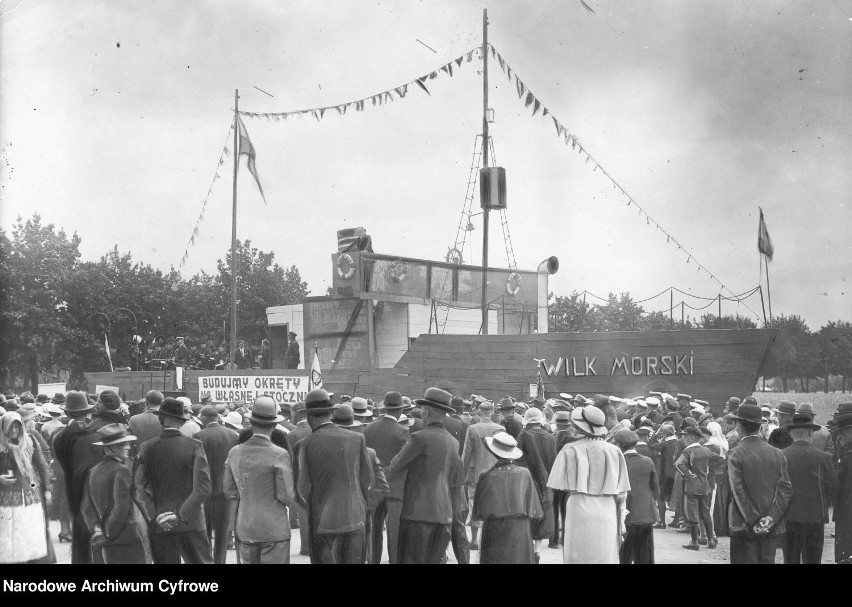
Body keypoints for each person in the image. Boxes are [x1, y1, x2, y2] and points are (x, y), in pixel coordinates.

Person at [388, 387, 467, 564]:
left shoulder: (419, 438)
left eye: (423, 408)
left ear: (426, 411)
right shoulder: (453, 442)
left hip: (418, 514)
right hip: (443, 515)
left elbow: (395, 465)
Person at [297, 389, 372, 564]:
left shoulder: (305, 444)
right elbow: (368, 481)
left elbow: (301, 488)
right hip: (354, 516)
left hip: (322, 521)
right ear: (330, 414)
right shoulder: (357, 438)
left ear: (309, 417)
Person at [134, 397, 213, 564]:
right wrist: (179, 515)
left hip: (160, 523)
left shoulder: (146, 447)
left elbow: (139, 486)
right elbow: (202, 489)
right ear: (181, 421)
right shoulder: (195, 446)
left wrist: (156, 514)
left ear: (161, 418)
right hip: (191, 521)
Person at [547, 406, 630, 564]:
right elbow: (622, 492)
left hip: (579, 506)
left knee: (578, 552)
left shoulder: (569, 450)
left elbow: (557, 484)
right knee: (605, 553)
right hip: (607, 508)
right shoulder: (615, 451)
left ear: (579, 427)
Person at [223, 396, 294, 564]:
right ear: (275, 425)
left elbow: (229, 490)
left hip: (245, 526)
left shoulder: (234, 452)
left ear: (251, 422)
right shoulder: (279, 454)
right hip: (274, 529)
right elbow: (286, 495)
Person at [727, 401, 793, 564]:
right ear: (759, 427)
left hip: (743, 525)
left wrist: (755, 521)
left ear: (739, 426)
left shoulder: (735, 453)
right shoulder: (777, 453)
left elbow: (738, 491)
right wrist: (769, 520)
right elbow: (786, 490)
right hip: (771, 525)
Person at [82, 424, 151, 564]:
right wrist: (108, 533)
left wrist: (96, 528)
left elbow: (86, 506)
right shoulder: (122, 470)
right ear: (113, 447)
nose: (128, 447)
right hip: (126, 536)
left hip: (106, 535)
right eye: (124, 444)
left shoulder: (93, 470)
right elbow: (121, 507)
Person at [472, 431, 544, 564]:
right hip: (520, 527)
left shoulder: (486, 475)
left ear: (492, 451)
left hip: (495, 526)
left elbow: (479, 511)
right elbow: (534, 508)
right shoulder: (524, 473)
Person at [332, 404, 389, 564]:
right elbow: (382, 486)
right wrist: (366, 508)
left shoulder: (325, 452)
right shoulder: (368, 452)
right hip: (360, 518)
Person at [52, 391, 104, 564]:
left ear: (67, 413)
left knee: (80, 530)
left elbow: (63, 463)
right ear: (87, 411)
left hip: (74, 487)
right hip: (98, 489)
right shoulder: (100, 435)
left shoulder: (59, 438)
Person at [781, 414, 837, 564]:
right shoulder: (823, 457)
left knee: (790, 558)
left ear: (792, 434)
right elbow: (832, 487)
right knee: (813, 558)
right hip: (815, 516)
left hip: (788, 516)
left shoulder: (781, 455)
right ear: (811, 433)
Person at [0, 411, 55, 564]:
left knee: (28, 536)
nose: (14, 431)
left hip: (30, 491)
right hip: (5, 499)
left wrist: (47, 489)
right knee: (7, 536)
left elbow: (42, 466)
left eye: (17, 427)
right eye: (11, 427)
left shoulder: (30, 441)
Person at [364, 391, 409, 564]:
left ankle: (372, 560)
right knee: (394, 532)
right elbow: (404, 462)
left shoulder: (368, 428)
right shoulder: (403, 431)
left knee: (373, 529)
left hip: (374, 486)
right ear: (400, 410)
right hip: (396, 488)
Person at [196, 404, 239, 564]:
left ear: (204, 418)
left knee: (205, 529)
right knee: (222, 529)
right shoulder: (233, 435)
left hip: (205, 489)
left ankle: (206, 559)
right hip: (225, 488)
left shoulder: (199, 435)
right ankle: (219, 561)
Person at [461, 399, 504, 549]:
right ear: (492, 412)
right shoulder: (500, 428)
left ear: (479, 412)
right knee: (493, 505)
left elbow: (466, 453)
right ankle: (490, 538)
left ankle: (474, 540)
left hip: (475, 472)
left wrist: (462, 471)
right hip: (494, 472)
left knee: (474, 505)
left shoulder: (472, 429)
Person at [676, 426, 724, 550]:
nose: (684, 439)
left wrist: (688, 474)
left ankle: (694, 542)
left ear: (692, 437)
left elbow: (679, 464)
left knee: (692, 514)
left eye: (686, 436)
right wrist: (708, 469)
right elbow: (721, 460)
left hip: (692, 486)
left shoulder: (687, 451)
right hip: (705, 486)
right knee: (706, 513)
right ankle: (711, 540)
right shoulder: (706, 450)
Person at [516, 407, 555, 559]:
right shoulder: (550, 437)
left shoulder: (524, 435)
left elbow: (518, 458)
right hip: (546, 483)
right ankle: (537, 550)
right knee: (542, 515)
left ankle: (529, 548)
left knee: (527, 514)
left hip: (528, 481)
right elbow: (553, 462)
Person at [614, 429, 659, 564]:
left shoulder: (618, 462)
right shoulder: (648, 461)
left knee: (626, 553)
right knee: (645, 554)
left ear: (620, 446)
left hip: (626, 514)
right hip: (646, 513)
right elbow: (655, 489)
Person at [287, 402, 312, 556]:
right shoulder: (314, 430)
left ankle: (305, 548)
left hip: (299, 479)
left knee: (303, 515)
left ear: (297, 413)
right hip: (317, 477)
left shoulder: (291, 434)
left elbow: (289, 459)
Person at [833, 409, 852, 564]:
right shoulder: (845, 455)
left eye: (843, 433)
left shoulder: (847, 458)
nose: (838, 437)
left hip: (846, 518)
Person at [706, 421, 730, 537]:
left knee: (712, 502)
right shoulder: (724, 441)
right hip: (723, 472)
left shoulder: (710, 443)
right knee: (721, 499)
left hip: (713, 472)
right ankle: (722, 525)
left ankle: (714, 526)